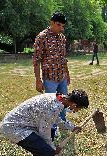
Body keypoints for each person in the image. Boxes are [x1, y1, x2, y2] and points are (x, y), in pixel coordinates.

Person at [0, 89, 89, 156]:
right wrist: (52, 148)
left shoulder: (60, 98)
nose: (77, 111)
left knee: (49, 136)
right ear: (74, 104)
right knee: (48, 154)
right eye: (79, 109)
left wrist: (72, 127)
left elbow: (55, 119)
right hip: (14, 128)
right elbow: (44, 132)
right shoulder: (53, 106)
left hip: (25, 123)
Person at [32, 12, 69, 140]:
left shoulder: (62, 38)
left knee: (64, 102)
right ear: (51, 22)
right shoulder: (42, 37)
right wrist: (38, 80)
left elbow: (64, 58)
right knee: (51, 105)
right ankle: (52, 128)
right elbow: (36, 60)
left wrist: (67, 74)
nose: (61, 28)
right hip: (50, 79)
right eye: (59, 25)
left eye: (63, 26)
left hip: (62, 77)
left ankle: (63, 124)